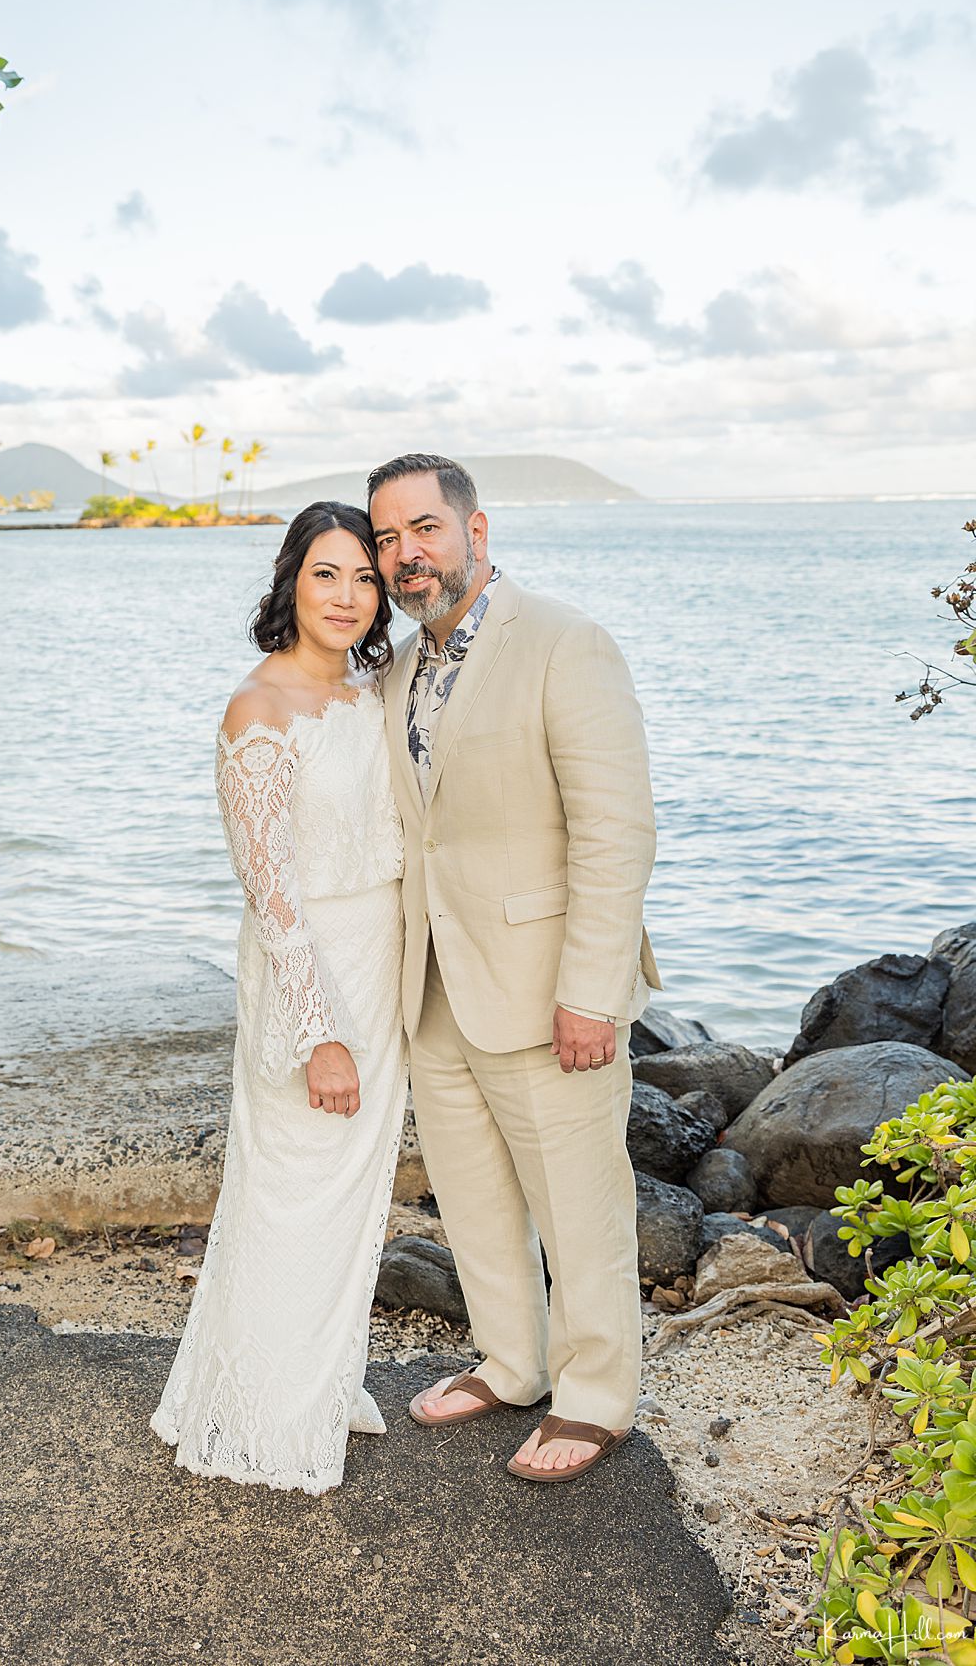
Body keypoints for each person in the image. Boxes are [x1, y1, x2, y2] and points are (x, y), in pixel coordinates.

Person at [368, 453, 661, 1483]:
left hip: (547, 987)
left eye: (425, 529)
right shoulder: (398, 668)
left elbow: (616, 826)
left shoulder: (564, 642)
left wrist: (592, 989)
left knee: (579, 1200)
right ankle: (511, 1359)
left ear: (475, 529)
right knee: (473, 1188)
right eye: (388, 538)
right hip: (437, 981)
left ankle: (596, 1398)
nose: (407, 554)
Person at [150, 502, 408, 1495]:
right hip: (314, 979)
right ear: (290, 582)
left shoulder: (373, 689)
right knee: (289, 1192)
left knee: (352, 1195)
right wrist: (320, 1034)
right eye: (325, 575)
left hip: (381, 968)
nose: (346, 597)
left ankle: (319, 1375)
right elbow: (273, 892)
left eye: (363, 578)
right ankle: (258, 1411)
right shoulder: (256, 710)